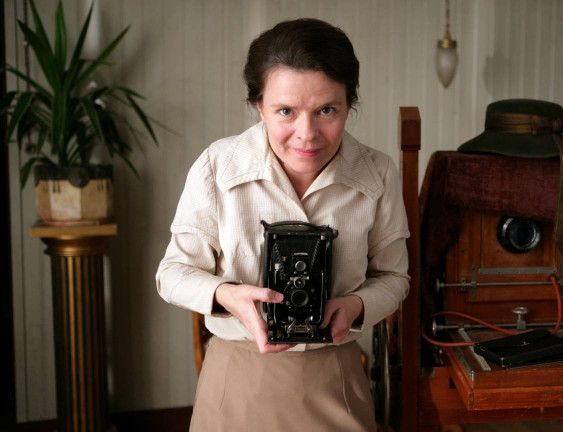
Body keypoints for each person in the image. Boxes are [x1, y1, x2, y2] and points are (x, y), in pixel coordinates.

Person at [156, 18, 409, 431]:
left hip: (336, 379)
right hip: (237, 384)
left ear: (349, 104)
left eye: (327, 110)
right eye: (286, 111)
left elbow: (395, 277)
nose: (306, 134)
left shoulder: (377, 173)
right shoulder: (217, 166)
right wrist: (227, 295)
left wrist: (357, 306)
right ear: (259, 106)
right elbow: (171, 274)